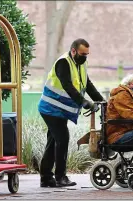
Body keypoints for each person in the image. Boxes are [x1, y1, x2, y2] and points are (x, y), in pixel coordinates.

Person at [38, 38, 105, 187]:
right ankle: (60, 177)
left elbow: (87, 83)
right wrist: (84, 102)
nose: (85, 57)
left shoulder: (81, 63)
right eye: (82, 53)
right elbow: (68, 86)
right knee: (62, 139)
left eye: (87, 54)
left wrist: (100, 100)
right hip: (51, 108)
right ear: (73, 51)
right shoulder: (63, 62)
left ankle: (46, 178)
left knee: (53, 141)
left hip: (60, 110)